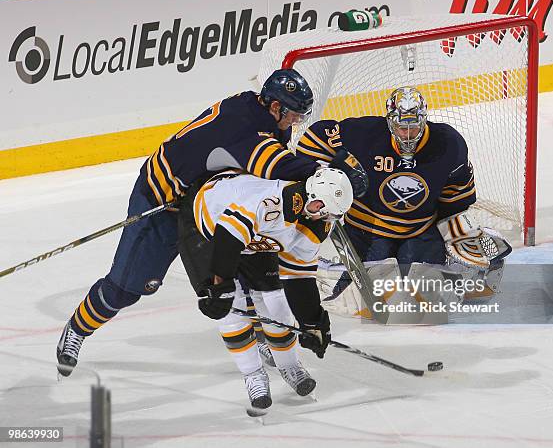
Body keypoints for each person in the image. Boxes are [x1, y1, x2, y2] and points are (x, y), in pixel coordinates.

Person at [56, 69, 367, 377]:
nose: (296, 121)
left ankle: (257, 336)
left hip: (210, 205)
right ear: (275, 107)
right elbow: (274, 164)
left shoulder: (262, 112)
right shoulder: (245, 127)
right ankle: (78, 329)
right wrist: (327, 171)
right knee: (128, 288)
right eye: (294, 115)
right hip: (164, 200)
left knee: (247, 274)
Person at [295, 87, 510, 301]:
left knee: (426, 300)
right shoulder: (365, 134)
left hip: (419, 231)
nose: (407, 134)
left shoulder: (448, 145)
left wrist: (454, 230)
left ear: (424, 121)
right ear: (389, 122)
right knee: (364, 300)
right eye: (400, 127)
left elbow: (456, 197)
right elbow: (312, 140)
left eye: (413, 127)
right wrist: (328, 175)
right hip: (368, 230)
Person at [177, 168, 353, 411]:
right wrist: (223, 284)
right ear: (314, 199)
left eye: (332, 215)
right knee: (229, 305)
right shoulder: (271, 203)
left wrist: (313, 321)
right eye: (325, 212)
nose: (326, 220)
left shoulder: (315, 224)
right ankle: (253, 373)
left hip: (253, 238)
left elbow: (299, 277)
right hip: (206, 227)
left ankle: (289, 365)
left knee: (275, 298)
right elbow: (228, 237)